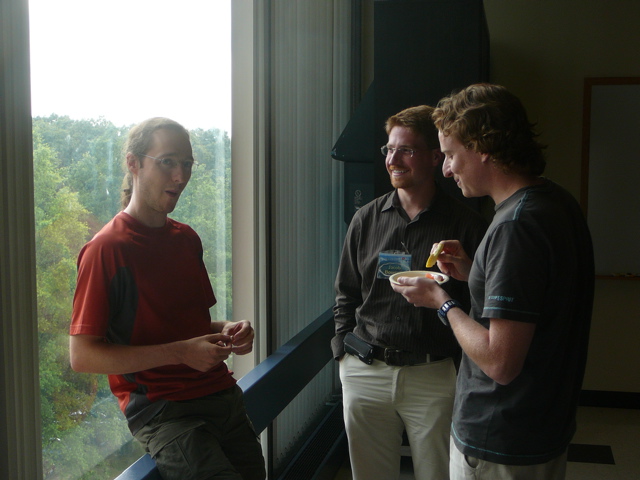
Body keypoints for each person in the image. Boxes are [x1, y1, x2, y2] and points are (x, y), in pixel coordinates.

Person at [391, 84, 594, 480]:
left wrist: (441, 301)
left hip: (499, 438)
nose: (447, 170)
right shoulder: (556, 203)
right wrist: (474, 273)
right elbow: (540, 299)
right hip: (544, 427)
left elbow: (500, 362)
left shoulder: (514, 227)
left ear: (482, 147)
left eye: (451, 155)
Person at [69, 117, 266, 480]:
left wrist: (230, 329)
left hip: (223, 397)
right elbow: (82, 356)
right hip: (166, 412)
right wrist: (180, 353)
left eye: (187, 164)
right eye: (167, 162)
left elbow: (188, 326)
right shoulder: (106, 250)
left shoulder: (186, 239)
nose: (180, 176)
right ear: (133, 163)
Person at [332, 105, 487, 480]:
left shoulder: (466, 224)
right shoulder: (366, 219)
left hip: (433, 373)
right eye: (389, 149)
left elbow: (483, 302)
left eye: (406, 150)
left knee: (437, 473)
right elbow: (346, 293)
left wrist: (466, 274)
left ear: (435, 157)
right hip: (366, 369)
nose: (393, 160)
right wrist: (343, 354)